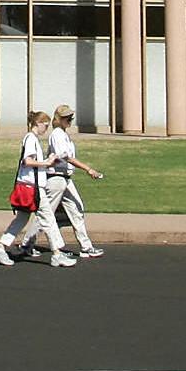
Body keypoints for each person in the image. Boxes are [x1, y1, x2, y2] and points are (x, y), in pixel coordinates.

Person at [0, 111, 75, 268]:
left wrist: (47, 163)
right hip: (33, 188)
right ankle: (57, 254)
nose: (46, 129)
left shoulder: (31, 139)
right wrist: (47, 163)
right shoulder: (31, 139)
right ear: (39, 123)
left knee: (22, 219)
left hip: (29, 186)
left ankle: (0, 248)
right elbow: (27, 161)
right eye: (46, 125)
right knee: (48, 219)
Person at [45, 105, 107, 259]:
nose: (70, 120)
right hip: (56, 179)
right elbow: (65, 157)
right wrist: (88, 169)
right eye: (67, 118)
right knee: (45, 214)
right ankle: (27, 243)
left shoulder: (64, 135)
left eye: (71, 117)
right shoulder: (57, 134)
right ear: (59, 119)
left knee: (77, 209)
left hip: (65, 179)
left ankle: (86, 247)